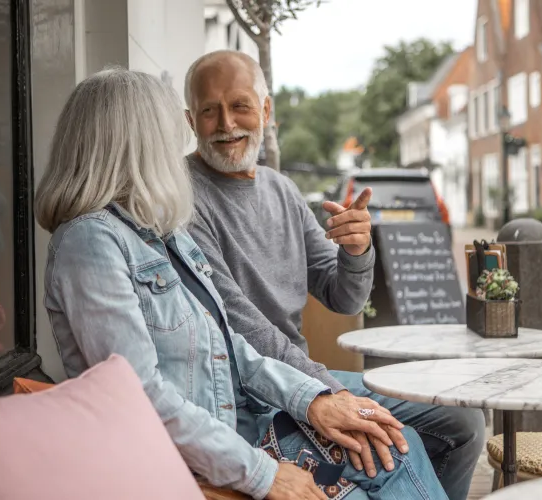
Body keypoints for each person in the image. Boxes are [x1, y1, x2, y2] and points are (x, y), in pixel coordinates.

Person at [34, 68, 448, 500]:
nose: (179, 147)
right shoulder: (90, 243)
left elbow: (234, 345)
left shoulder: (159, 230)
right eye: (174, 130)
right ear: (135, 144)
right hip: (201, 459)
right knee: (387, 455)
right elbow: (140, 396)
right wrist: (266, 475)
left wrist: (314, 399)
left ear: (265, 111)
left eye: (239, 107)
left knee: (390, 445)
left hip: (246, 422)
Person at [184, 50, 486, 500]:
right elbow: (240, 327)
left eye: (240, 106)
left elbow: (344, 297)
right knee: (392, 446)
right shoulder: (184, 199)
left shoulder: (282, 190)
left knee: (464, 421)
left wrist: (358, 250)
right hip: (254, 393)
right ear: (191, 120)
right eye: (210, 110)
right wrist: (324, 393)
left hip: (305, 374)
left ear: (266, 111)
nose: (227, 123)